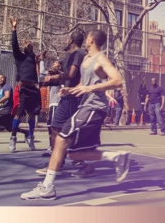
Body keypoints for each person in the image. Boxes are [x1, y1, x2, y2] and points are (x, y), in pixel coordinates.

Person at [20, 29, 130, 201]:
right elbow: (84, 82)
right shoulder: (86, 59)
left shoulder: (101, 58)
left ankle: (47, 187)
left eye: (87, 37)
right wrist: (72, 89)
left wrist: (90, 88)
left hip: (95, 107)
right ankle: (116, 157)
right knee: (74, 153)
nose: (85, 40)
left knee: (61, 140)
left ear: (92, 40)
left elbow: (118, 81)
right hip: (86, 106)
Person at [38, 30, 87, 175]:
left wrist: (53, 78)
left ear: (71, 40)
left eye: (67, 39)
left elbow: (71, 75)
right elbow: (68, 76)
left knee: (59, 130)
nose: (66, 41)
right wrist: (55, 76)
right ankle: (62, 162)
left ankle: (59, 164)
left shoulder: (77, 54)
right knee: (62, 130)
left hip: (72, 97)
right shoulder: (74, 56)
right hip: (70, 96)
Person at [9, 16, 41, 152]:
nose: (27, 45)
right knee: (19, 113)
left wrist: (41, 57)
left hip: (33, 89)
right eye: (25, 45)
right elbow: (14, 44)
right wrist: (14, 28)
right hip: (23, 89)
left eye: (29, 44)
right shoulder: (20, 57)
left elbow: (38, 63)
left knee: (32, 114)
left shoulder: (33, 58)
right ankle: (13, 138)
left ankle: (31, 137)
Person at [42, 60, 63, 157]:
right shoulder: (52, 74)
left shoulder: (61, 75)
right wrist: (41, 60)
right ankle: (52, 147)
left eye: (55, 63)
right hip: (52, 104)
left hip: (56, 103)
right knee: (50, 126)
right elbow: (42, 72)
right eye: (53, 62)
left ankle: (54, 148)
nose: (53, 64)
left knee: (54, 127)